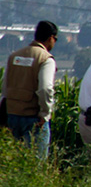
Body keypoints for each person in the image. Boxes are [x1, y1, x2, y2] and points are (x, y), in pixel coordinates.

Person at [1, 20, 58, 158]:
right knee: (36, 166)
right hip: (34, 119)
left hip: (12, 116)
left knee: (13, 162)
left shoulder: (15, 56)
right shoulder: (46, 59)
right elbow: (45, 88)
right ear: (51, 38)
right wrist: (45, 114)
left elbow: (5, 87)